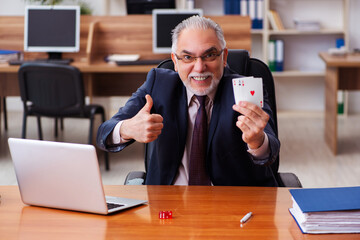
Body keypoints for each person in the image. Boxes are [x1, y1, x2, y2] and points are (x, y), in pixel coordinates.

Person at [96, 16, 280, 186]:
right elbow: (104, 133)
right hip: (168, 202)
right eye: (187, 57)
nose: (199, 68)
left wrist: (257, 141)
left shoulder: (245, 89)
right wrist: (127, 129)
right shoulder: (158, 84)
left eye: (209, 55)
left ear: (224, 57)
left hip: (231, 203)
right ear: (175, 61)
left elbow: (270, 150)